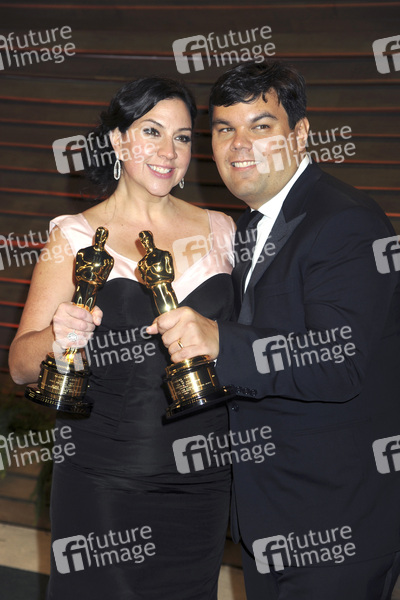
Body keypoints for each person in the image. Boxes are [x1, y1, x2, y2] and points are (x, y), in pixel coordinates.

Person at [147, 61, 400, 599]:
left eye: (260, 126)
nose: (239, 145)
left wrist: (221, 341)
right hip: (271, 514)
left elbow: (338, 363)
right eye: (224, 129)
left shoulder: (345, 220)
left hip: (336, 523)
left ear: (300, 133)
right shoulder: (252, 224)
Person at [9, 76, 236, 599]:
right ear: (117, 139)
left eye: (182, 137)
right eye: (152, 131)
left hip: (203, 480)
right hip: (105, 479)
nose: (168, 151)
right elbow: (21, 365)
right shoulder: (72, 236)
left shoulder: (223, 231)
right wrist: (57, 335)